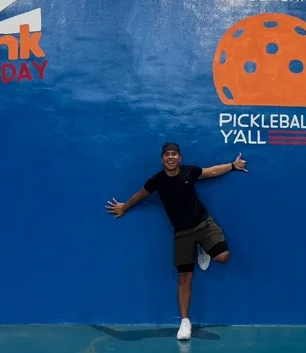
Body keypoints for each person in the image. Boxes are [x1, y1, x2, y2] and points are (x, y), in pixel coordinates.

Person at [106, 142, 247, 340]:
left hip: (204, 224)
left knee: (223, 256)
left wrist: (232, 165)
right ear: (162, 159)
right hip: (182, 233)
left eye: (174, 154)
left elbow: (212, 171)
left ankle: (204, 248)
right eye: (167, 155)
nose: (170, 157)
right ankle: (185, 322)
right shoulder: (157, 180)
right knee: (184, 278)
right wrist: (124, 207)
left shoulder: (190, 172)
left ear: (180, 158)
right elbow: (140, 195)